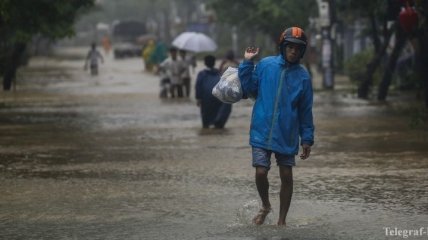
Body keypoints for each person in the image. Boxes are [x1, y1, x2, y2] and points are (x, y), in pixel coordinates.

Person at [238, 26, 314, 226]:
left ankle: (282, 220)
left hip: (287, 133)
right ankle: (265, 205)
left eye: (298, 49)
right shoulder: (265, 65)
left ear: (302, 52)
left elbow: (306, 110)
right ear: (283, 47)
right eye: (290, 47)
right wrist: (247, 62)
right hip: (261, 129)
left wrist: (307, 138)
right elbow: (250, 89)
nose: (293, 51)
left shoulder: (304, 77)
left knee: (286, 175)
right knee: (261, 171)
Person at [195, 55, 232, 129]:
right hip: (218, 96)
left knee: (206, 120)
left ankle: (207, 129)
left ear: (205, 63)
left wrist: (198, 98)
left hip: (206, 98)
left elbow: (198, 86)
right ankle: (218, 126)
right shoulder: (219, 73)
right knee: (217, 114)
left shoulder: (202, 74)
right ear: (214, 63)